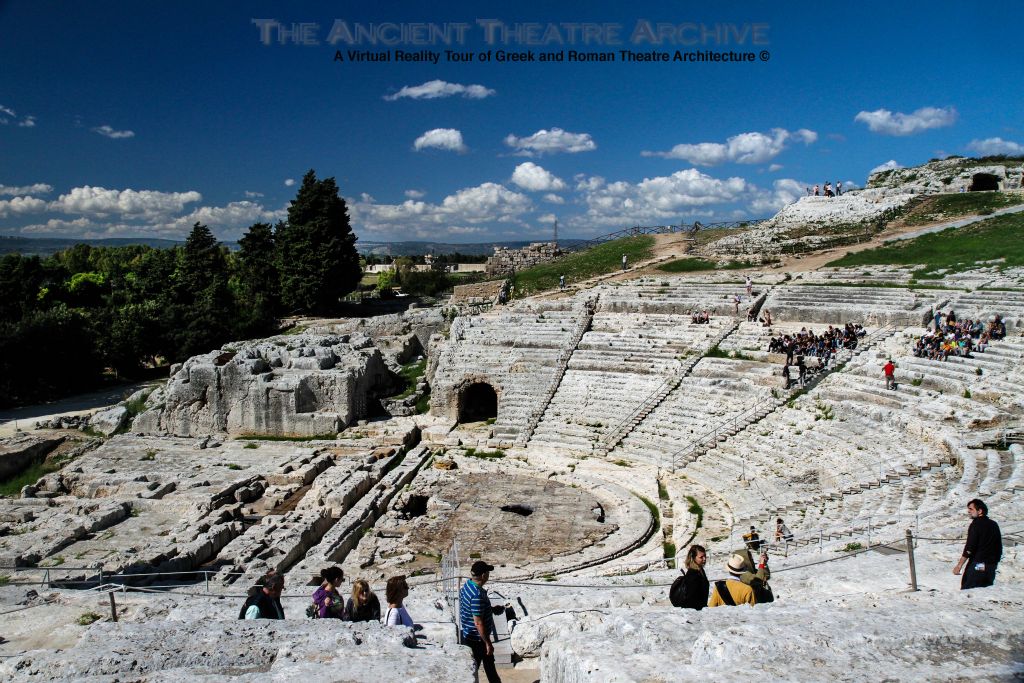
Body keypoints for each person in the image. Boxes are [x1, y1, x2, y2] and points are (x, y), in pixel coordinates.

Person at [460, 560, 502, 683]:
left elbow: (473, 609)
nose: (489, 575)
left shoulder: (468, 585)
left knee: (489, 667)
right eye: (488, 572)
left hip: (469, 634)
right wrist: (488, 643)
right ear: (483, 575)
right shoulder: (476, 594)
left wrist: (491, 609)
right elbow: (478, 622)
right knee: (476, 669)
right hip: (477, 639)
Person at [953, 499, 1002, 589]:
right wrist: (994, 563)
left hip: (978, 565)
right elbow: (999, 547)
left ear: (980, 511)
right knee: (984, 592)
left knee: (968, 590)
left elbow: (970, 547)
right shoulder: (994, 524)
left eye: (971, 509)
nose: (969, 511)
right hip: (991, 566)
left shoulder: (976, 525)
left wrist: (959, 565)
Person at [670, 545, 710, 610]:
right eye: (701, 557)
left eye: (705, 556)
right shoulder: (693, 574)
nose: (704, 559)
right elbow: (691, 598)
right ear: (693, 558)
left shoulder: (700, 570)